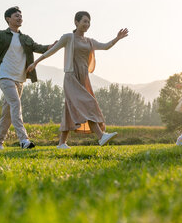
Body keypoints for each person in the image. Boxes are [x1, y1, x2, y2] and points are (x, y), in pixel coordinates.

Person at [26, 11, 128, 149]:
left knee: (70, 108)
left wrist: (117, 38)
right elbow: (52, 50)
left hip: (84, 77)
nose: (87, 24)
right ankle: (101, 136)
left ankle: (62, 143)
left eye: (89, 22)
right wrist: (35, 62)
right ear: (76, 22)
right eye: (84, 21)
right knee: (88, 102)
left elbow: (105, 46)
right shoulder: (68, 37)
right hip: (71, 77)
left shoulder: (89, 41)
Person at [0, 6, 55, 150]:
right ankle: (24, 140)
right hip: (5, 76)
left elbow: (39, 47)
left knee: (8, 113)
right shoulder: (0, 35)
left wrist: (53, 45)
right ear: (8, 19)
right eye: (16, 16)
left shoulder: (25, 38)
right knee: (16, 104)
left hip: (20, 78)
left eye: (20, 16)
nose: (19, 18)